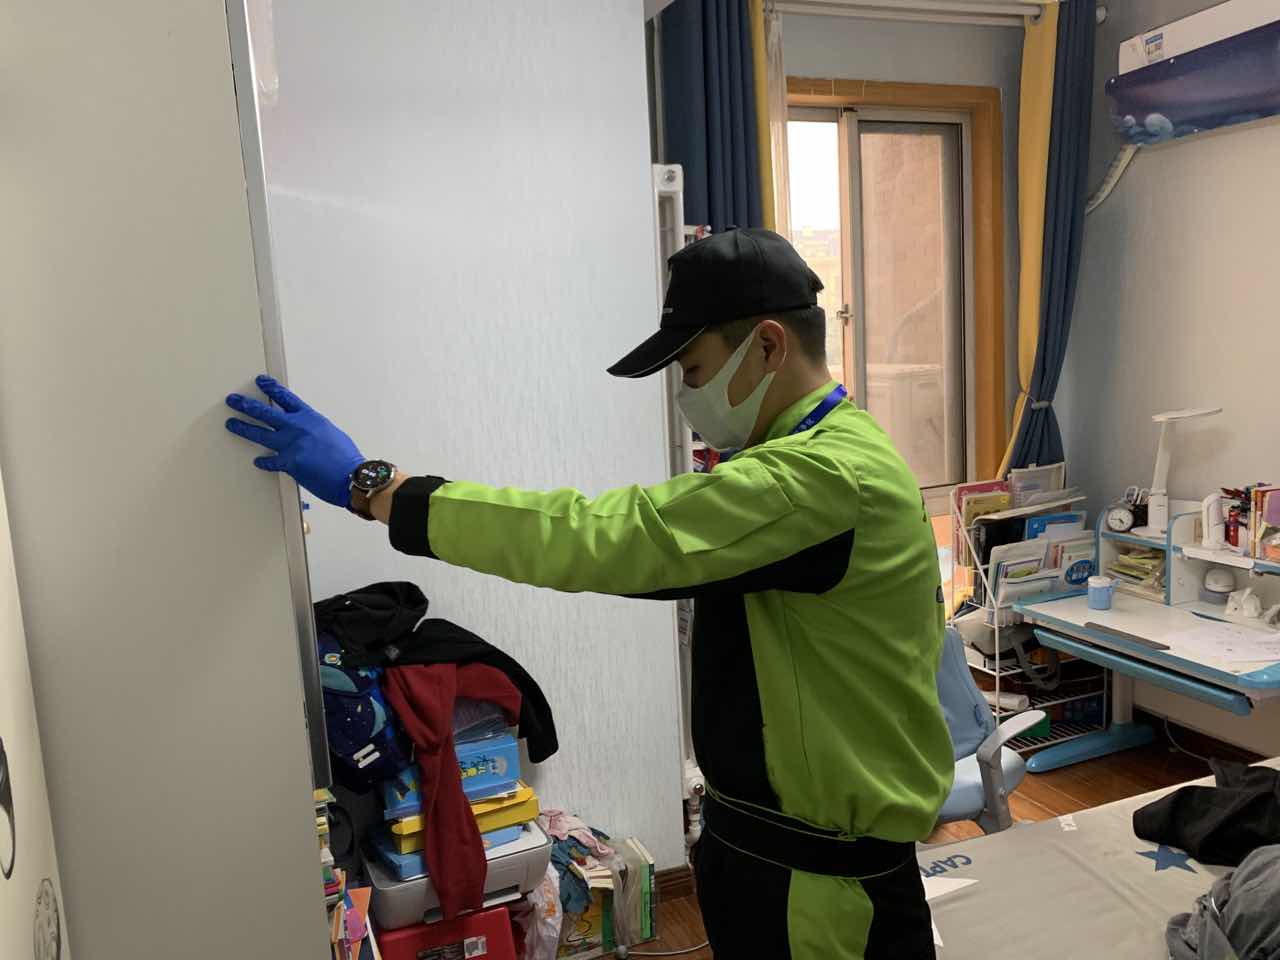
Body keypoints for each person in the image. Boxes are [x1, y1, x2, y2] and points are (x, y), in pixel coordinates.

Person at [225, 228, 952, 959]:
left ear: (768, 346)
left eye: (694, 370)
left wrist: (379, 489)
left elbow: (599, 535)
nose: (687, 396)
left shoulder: (819, 478)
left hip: (815, 887)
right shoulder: (837, 449)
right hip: (779, 854)